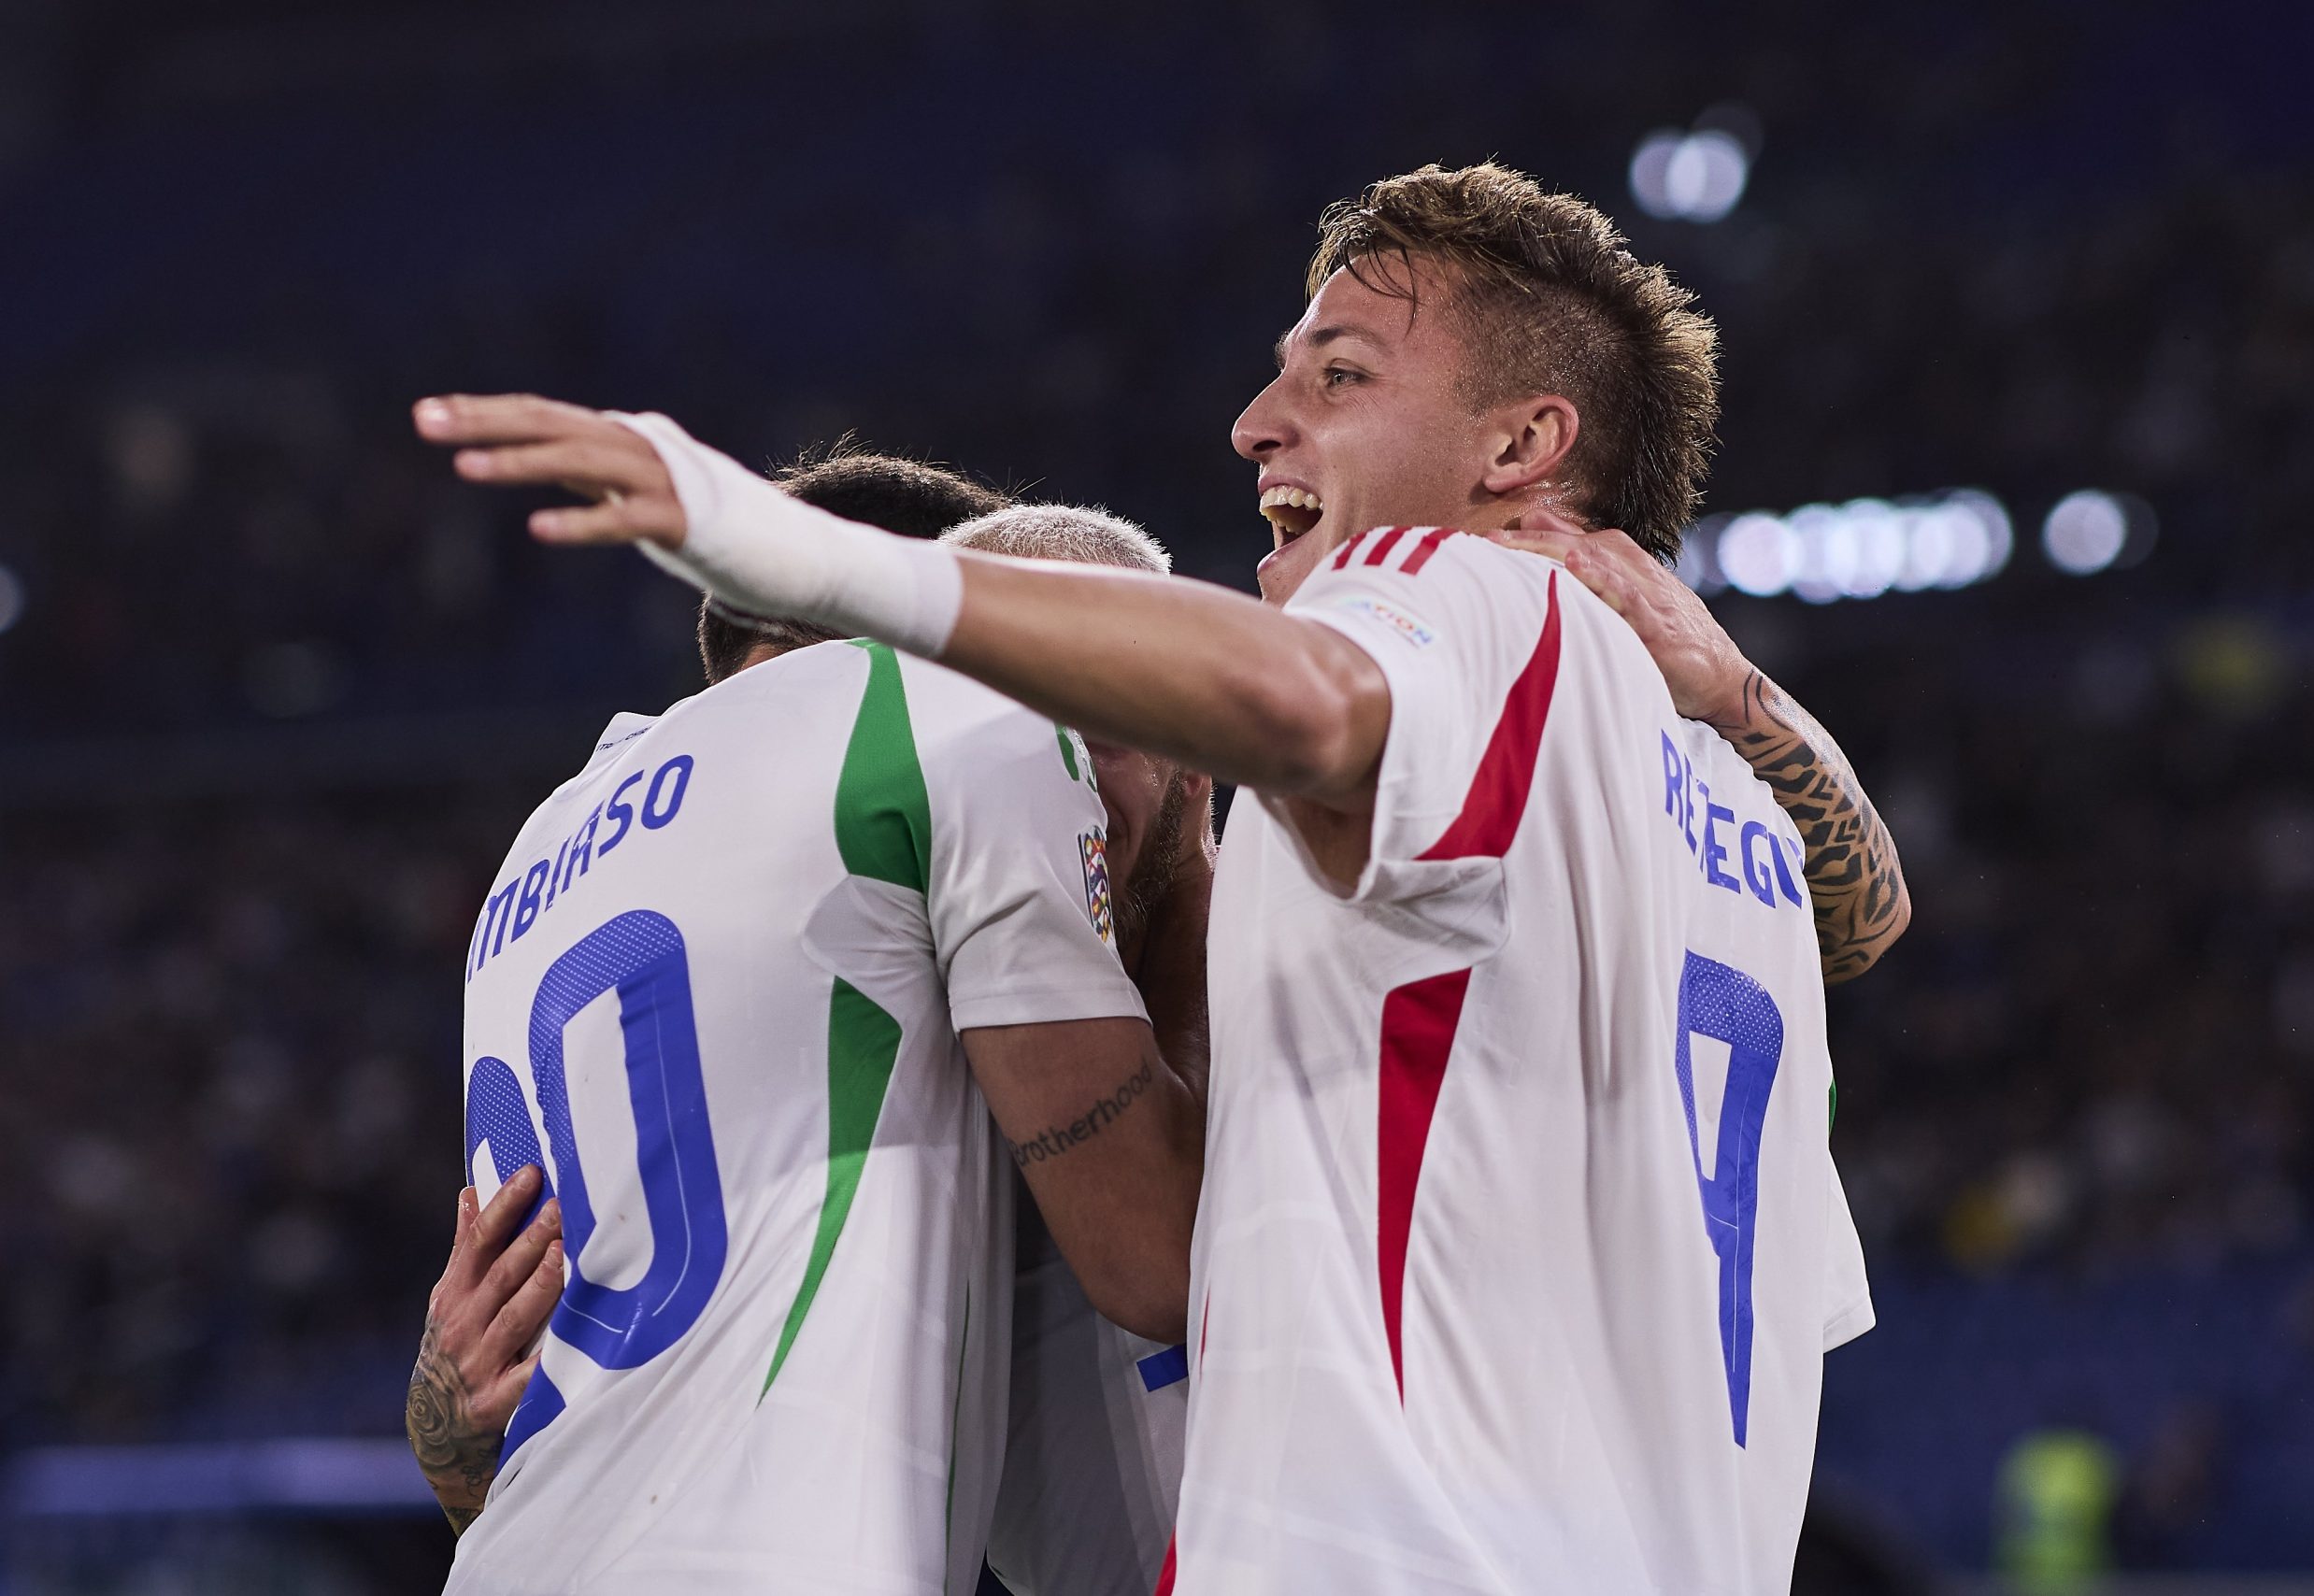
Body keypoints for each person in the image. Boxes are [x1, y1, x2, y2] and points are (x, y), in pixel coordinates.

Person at [415, 161, 1893, 1591]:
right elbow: (1870, 911)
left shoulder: (1452, 597)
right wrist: (1744, 698)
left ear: (1517, 452)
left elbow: (1306, 710)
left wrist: (813, 560)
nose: (1256, 425)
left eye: (1340, 376)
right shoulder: (1735, 834)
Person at [417, 445, 1207, 1596]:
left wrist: (441, 1428)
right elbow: (1159, 1258)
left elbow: (490, 1428)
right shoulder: (952, 720)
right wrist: (1188, 831)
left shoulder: (536, 854)